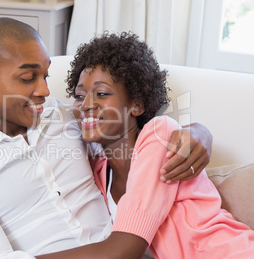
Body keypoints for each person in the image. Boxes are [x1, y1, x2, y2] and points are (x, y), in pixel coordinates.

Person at [0, 18, 213, 258]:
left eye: (45, 77)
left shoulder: (61, 117)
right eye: (28, 79)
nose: (44, 91)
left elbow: (124, 125)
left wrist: (198, 132)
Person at [33, 32, 254, 258]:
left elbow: (122, 250)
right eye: (79, 95)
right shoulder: (96, 170)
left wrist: (201, 131)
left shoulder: (159, 135)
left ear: (137, 105)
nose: (86, 105)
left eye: (101, 93)